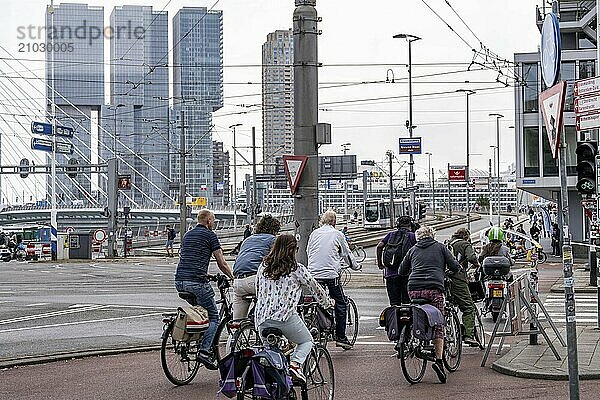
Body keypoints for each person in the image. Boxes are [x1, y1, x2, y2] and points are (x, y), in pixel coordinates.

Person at [255, 234, 330, 383]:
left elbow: (258, 289)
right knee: (306, 341)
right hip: (284, 317)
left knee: (270, 354)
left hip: (261, 319)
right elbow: (315, 288)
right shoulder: (296, 269)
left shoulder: (263, 267)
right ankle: (295, 365)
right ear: (292, 250)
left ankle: (274, 385)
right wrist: (327, 303)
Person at [174, 209, 234, 370]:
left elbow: (190, 259)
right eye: (213, 220)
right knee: (214, 317)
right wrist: (233, 277)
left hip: (180, 281)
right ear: (208, 221)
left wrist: (206, 274)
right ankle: (204, 351)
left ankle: (195, 340)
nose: (213, 223)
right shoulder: (210, 236)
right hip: (196, 282)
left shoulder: (187, 235)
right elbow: (222, 263)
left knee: (199, 313)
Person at [399, 226, 460, 384]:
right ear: (432, 236)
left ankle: (413, 339)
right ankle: (439, 361)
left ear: (418, 237)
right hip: (434, 289)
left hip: (413, 289)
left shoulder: (412, 250)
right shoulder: (440, 247)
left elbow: (401, 270)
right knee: (438, 323)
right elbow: (453, 266)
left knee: (417, 313)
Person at [307, 210, 356, 350]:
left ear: (322, 221)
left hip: (313, 274)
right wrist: (355, 266)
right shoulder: (337, 234)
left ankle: (321, 325)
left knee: (318, 299)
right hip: (330, 275)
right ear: (334, 222)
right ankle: (340, 337)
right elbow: (347, 253)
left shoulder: (314, 233)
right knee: (341, 302)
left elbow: (308, 251)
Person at [232, 215, 281, 320]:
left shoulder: (247, 240)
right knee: (276, 298)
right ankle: (258, 319)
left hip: (238, 281)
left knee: (237, 322)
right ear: (275, 229)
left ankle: (235, 334)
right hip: (255, 280)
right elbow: (277, 261)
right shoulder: (273, 239)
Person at [448, 228, 479, 346]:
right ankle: (468, 335)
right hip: (458, 279)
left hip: (445, 279)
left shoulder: (447, 243)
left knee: (448, 304)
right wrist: (477, 264)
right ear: (466, 236)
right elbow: (471, 257)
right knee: (468, 307)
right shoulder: (465, 244)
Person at [376, 216, 416, 306]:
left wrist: (380, 264)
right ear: (411, 225)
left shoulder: (391, 235)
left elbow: (379, 246)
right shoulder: (412, 236)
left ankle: (394, 319)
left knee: (394, 304)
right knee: (407, 303)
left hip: (391, 273)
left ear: (397, 225)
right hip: (407, 274)